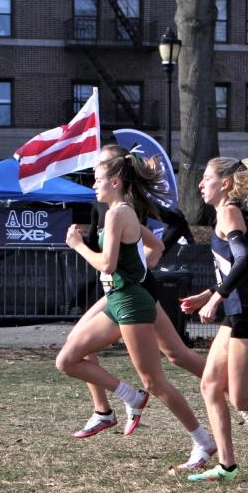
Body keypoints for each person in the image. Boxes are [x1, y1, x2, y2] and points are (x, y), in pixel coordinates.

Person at [57, 151, 215, 470]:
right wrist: (143, 265)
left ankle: (203, 441)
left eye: (98, 180)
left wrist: (78, 246)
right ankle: (130, 397)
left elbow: (107, 264)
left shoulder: (117, 215)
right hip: (119, 300)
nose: (93, 186)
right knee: (67, 360)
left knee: (156, 382)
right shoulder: (121, 210)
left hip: (130, 304)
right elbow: (154, 247)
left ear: (115, 181)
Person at [180, 158, 248, 483]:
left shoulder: (229, 211)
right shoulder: (226, 213)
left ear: (226, 184)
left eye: (206, 178)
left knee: (241, 397)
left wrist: (217, 297)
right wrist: (209, 295)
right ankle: (227, 465)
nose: (201, 184)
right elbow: (230, 267)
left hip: (247, 313)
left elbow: (245, 260)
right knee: (210, 386)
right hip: (237, 313)